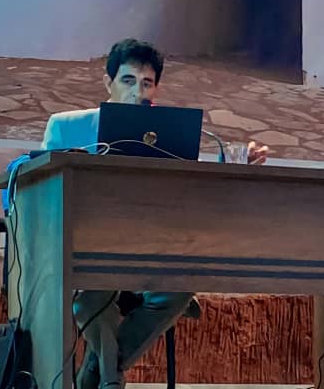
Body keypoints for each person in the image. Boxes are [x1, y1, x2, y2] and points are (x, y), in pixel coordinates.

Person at [41, 38, 269, 389]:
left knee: (179, 289)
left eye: (147, 83)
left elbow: (194, 186)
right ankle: (110, 380)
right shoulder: (66, 126)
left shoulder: (164, 134)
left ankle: (99, 375)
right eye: (128, 80)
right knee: (89, 302)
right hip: (86, 250)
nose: (138, 92)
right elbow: (38, 184)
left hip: (149, 251)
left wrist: (234, 165)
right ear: (108, 83)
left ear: (156, 89)